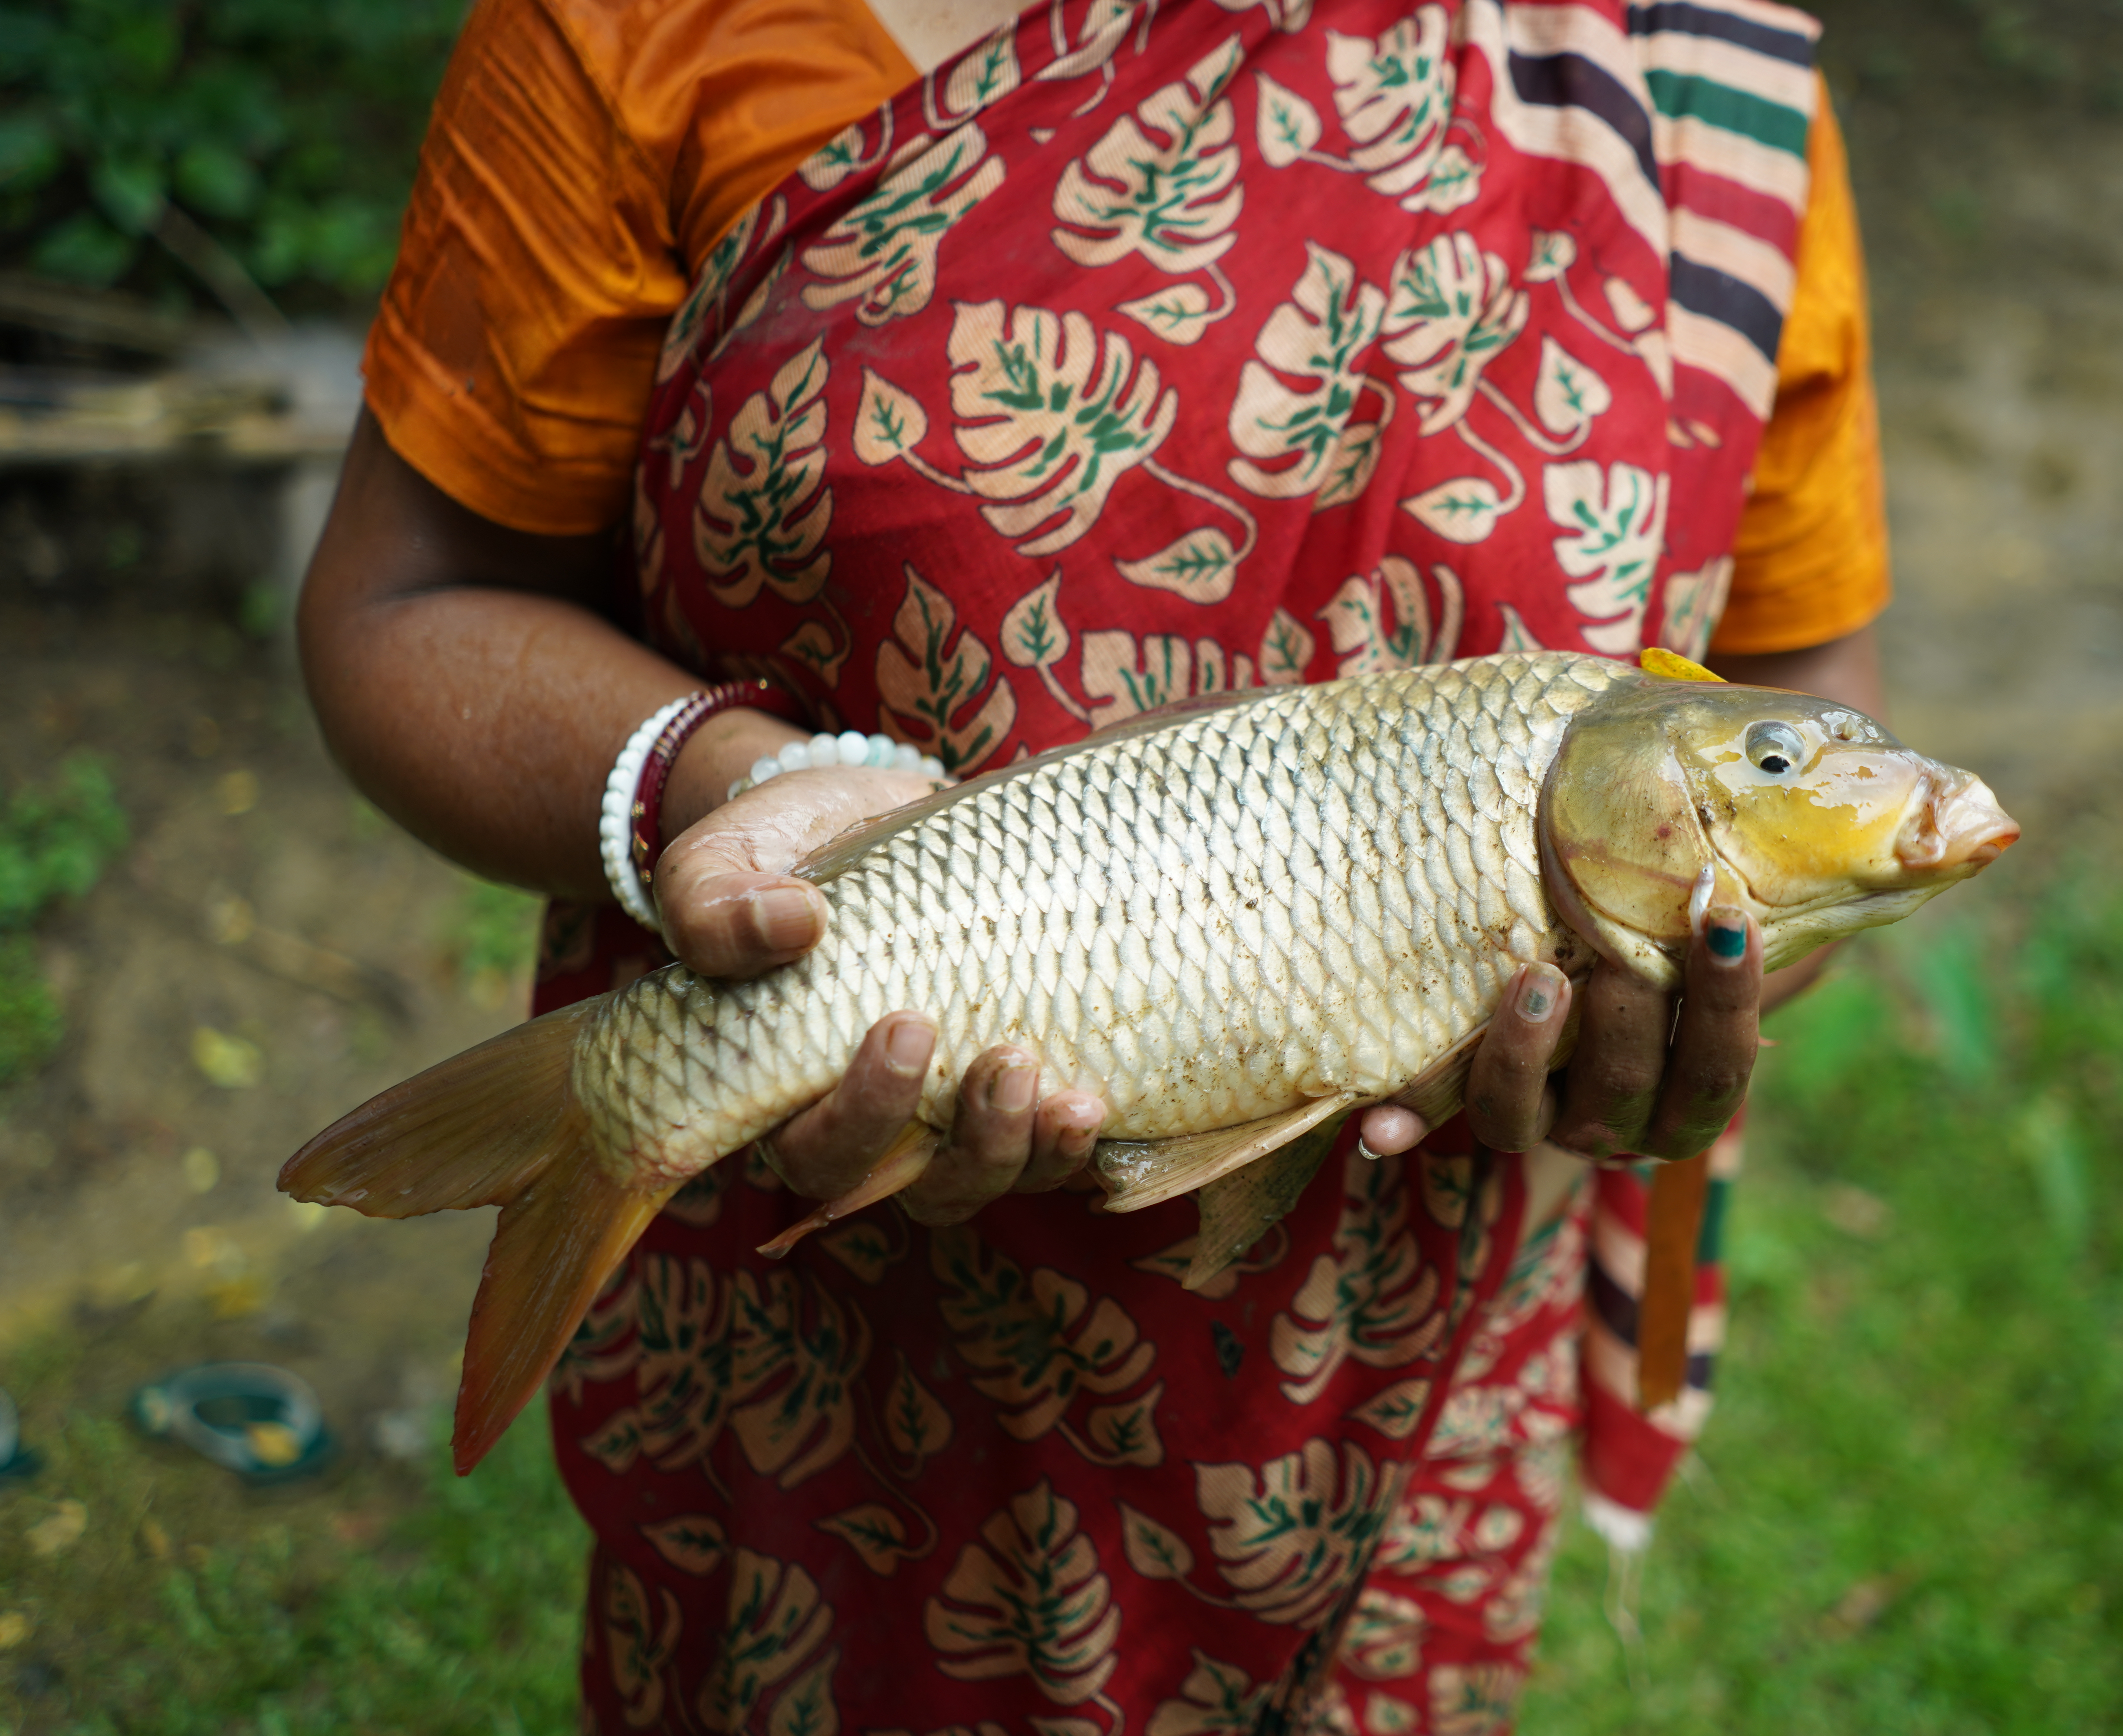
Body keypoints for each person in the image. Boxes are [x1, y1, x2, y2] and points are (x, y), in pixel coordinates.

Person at [298, 0, 1892, 1727]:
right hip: (838, 1351)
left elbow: (1799, 718)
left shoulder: (1685, 75)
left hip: (1407, 1382)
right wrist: (718, 781)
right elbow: (407, 607)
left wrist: (1670, 1000)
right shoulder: (649, 33)